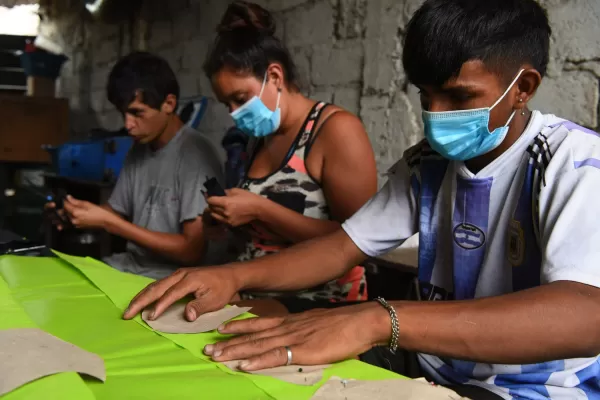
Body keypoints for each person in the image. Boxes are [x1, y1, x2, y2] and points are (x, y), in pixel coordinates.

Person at [124, 0, 600, 398]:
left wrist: (379, 318)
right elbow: (344, 244)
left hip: (532, 387)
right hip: (436, 364)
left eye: (457, 96)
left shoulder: (571, 163)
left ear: (523, 88)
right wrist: (232, 276)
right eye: (425, 95)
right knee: (246, 345)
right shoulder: (428, 164)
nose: (434, 114)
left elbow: (584, 314)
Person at [199, 1, 378, 314]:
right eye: (226, 104)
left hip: (318, 304)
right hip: (251, 290)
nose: (234, 113)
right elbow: (263, 232)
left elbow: (360, 242)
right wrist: (227, 220)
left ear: (275, 76)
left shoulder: (335, 130)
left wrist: (260, 209)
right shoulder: (259, 138)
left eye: (240, 99)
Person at [47, 52, 224, 280]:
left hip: (173, 279)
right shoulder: (139, 148)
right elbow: (114, 212)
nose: (128, 125)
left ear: (169, 104)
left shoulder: (196, 154)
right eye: (124, 114)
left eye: (137, 113)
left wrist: (111, 223)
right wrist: (75, 213)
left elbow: (191, 251)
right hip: (129, 267)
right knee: (58, 281)